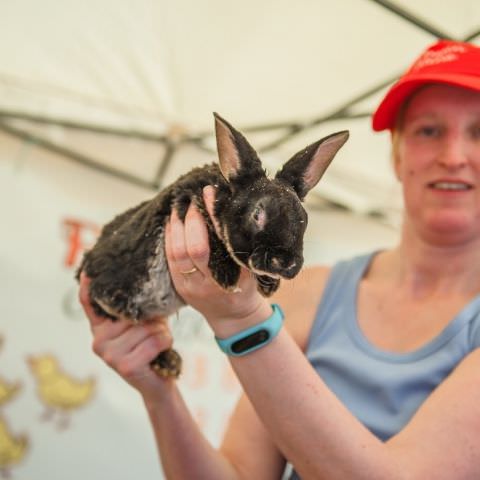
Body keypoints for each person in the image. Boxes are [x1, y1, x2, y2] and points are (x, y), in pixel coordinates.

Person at [79, 39, 480, 479]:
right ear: (398, 153)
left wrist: (243, 322)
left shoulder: (261, 308)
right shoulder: (312, 293)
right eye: (429, 130)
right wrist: (157, 392)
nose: (453, 156)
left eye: (479, 131)